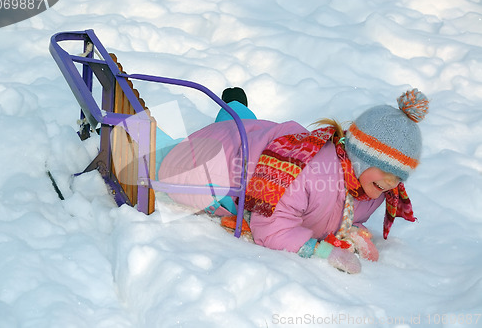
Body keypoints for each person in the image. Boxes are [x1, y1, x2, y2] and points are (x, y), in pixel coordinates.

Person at [158, 88, 428, 274]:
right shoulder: (306, 173)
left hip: (257, 139)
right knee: (166, 166)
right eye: (384, 170)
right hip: (221, 166)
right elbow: (270, 226)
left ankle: (235, 108)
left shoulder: (372, 187)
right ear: (359, 159)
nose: (392, 183)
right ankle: (135, 128)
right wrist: (322, 252)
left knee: (245, 129)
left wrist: (353, 232)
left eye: (400, 176)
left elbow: (340, 212)